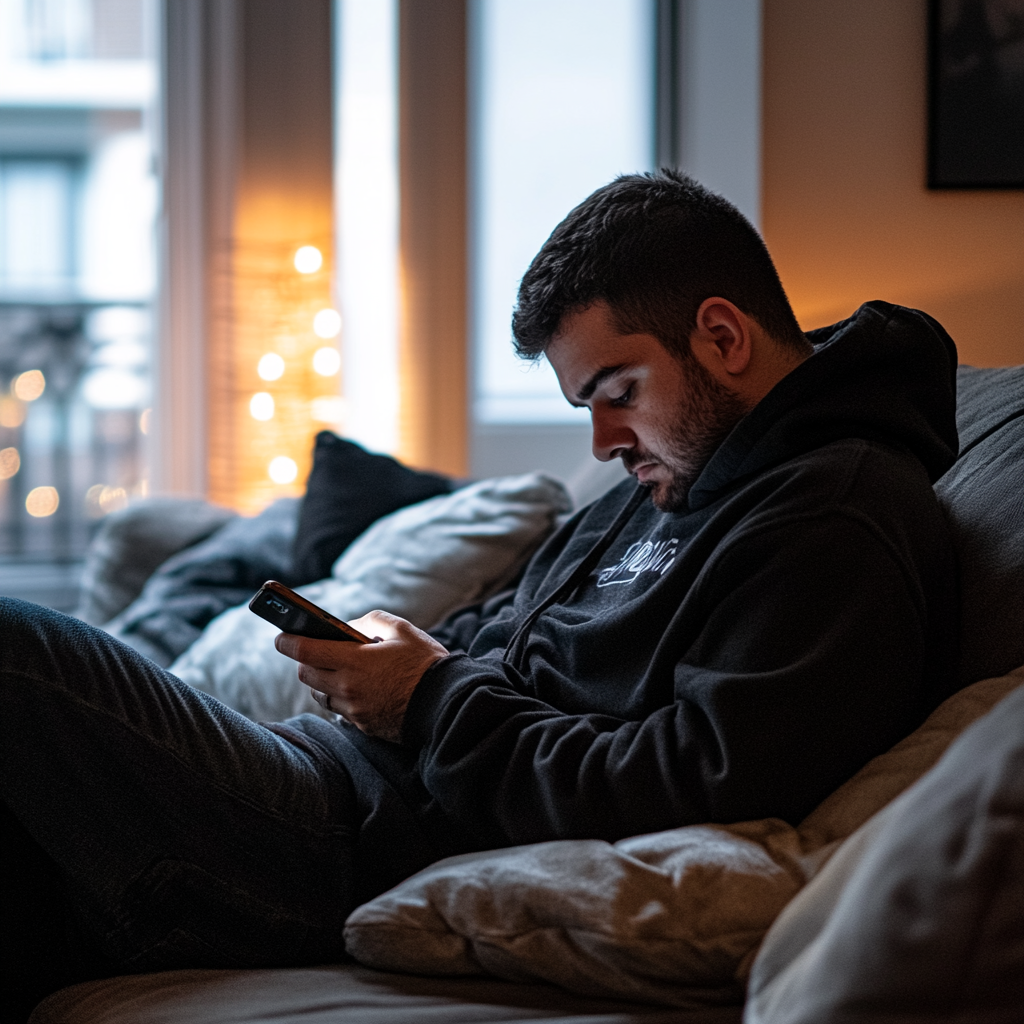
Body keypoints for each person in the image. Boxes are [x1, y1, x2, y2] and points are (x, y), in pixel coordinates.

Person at [0, 171, 958, 1021]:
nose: (603, 442)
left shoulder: (836, 520)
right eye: (589, 405)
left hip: (353, 839)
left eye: (618, 390)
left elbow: (693, 785)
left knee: (18, 653)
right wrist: (399, 661)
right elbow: (503, 632)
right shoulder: (676, 474)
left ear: (720, 335)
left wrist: (429, 698)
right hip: (340, 772)